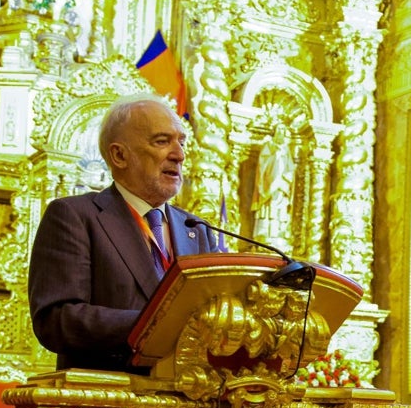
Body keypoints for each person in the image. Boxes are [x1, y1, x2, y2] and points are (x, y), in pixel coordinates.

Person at [28, 94, 218, 373]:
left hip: (184, 399)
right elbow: (57, 320)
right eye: (162, 141)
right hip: (105, 400)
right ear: (119, 155)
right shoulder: (75, 217)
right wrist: (155, 325)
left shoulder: (196, 230)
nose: (179, 155)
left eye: (181, 141)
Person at [251, 128, 295, 242]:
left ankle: (278, 234)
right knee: (267, 208)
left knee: (280, 209)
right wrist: (276, 155)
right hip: (269, 184)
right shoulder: (269, 147)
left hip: (282, 186)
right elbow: (262, 164)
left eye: (284, 134)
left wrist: (286, 177)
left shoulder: (286, 150)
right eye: (280, 133)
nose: (282, 136)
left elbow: (290, 168)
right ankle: (263, 235)